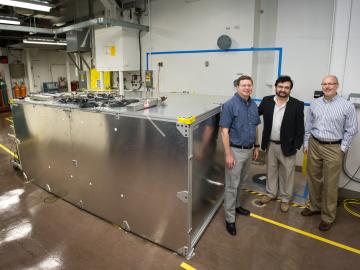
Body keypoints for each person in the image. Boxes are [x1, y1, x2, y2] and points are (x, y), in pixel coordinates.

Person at [302, 75, 358, 231]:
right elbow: (309, 124)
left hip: (333, 147)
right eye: (324, 84)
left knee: (330, 184)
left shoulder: (347, 106)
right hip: (314, 144)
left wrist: (342, 148)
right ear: (322, 86)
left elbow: (352, 129)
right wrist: (306, 143)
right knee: (313, 178)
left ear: (337, 86)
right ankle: (314, 207)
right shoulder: (315, 103)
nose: (327, 86)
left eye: (330, 84)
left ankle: (327, 217)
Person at [219, 75, 260, 236]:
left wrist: (256, 146)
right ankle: (230, 219)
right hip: (235, 151)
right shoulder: (230, 105)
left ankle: (236, 206)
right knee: (231, 186)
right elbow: (224, 131)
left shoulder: (253, 104)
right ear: (237, 87)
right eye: (243, 85)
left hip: (249, 150)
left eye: (249, 85)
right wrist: (228, 154)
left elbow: (256, 126)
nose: (247, 88)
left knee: (241, 181)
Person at [258, 75, 304, 212]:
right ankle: (271, 193)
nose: (283, 89)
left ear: (290, 89)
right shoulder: (266, 101)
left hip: (288, 146)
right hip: (270, 144)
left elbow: (300, 127)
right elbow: (254, 114)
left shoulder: (297, 104)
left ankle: (285, 199)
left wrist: (296, 145)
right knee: (271, 170)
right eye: (280, 86)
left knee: (287, 173)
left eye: (286, 87)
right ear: (276, 87)